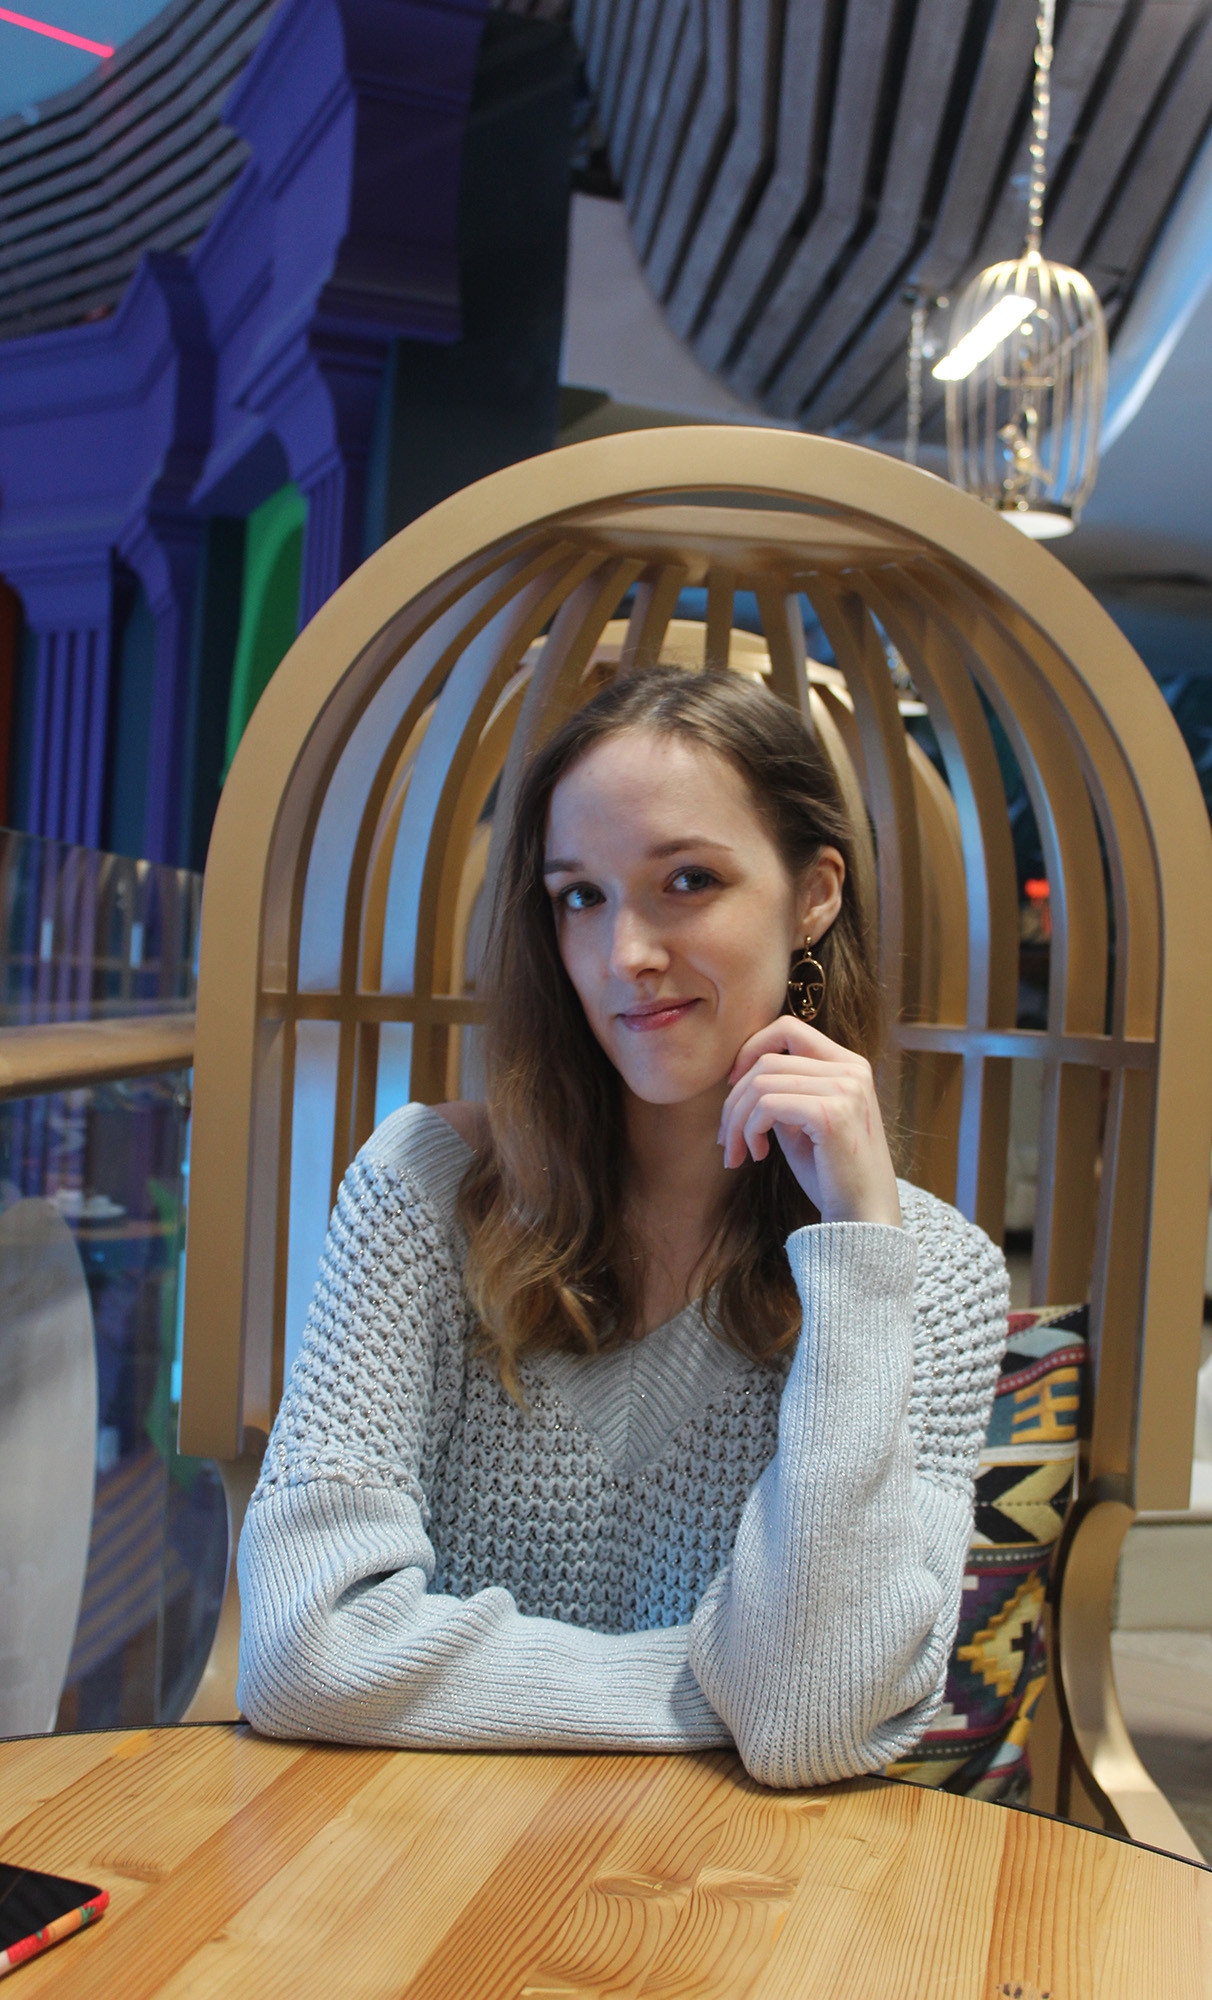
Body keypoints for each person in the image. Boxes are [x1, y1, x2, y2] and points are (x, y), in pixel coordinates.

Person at [238, 667, 1009, 1787]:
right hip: (412, 1852)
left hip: (733, 1879)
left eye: (687, 881)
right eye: (580, 896)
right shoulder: (424, 1188)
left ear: (813, 894)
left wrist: (856, 1256)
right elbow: (301, 1650)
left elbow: (810, 1717)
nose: (624, 954)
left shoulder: (923, 1272)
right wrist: (721, 1691)